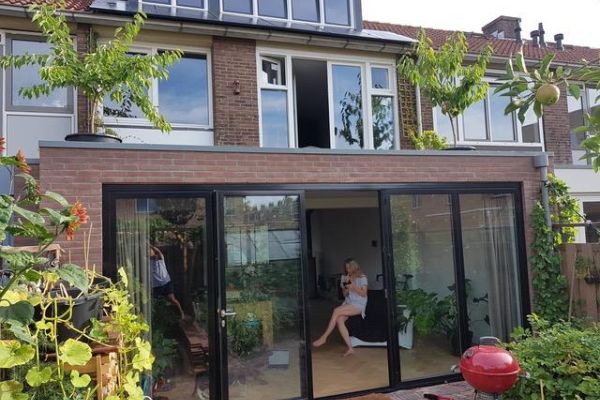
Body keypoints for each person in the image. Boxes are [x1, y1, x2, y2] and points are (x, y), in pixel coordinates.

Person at [313, 258, 368, 356]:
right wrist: (346, 288)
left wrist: (353, 286)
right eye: (346, 268)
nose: (347, 270)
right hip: (348, 303)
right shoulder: (344, 277)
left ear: (354, 267)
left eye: (349, 268)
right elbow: (344, 295)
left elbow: (364, 294)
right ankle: (350, 348)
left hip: (359, 304)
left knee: (336, 311)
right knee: (339, 320)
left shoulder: (362, 278)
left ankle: (324, 337)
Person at [150, 245, 185, 320]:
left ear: (154, 253)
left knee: (172, 299)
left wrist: (150, 245)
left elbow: (159, 251)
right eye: (148, 252)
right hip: (156, 286)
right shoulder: (148, 262)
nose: (149, 253)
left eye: (151, 251)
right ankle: (157, 318)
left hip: (166, 283)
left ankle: (182, 313)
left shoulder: (160, 259)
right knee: (154, 302)